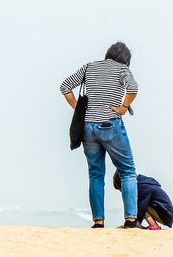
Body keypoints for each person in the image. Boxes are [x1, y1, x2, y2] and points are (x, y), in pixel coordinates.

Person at [60, 42, 139, 229]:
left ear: (108, 54)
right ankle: (130, 220)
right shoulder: (122, 69)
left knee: (95, 176)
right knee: (127, 172)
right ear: (125, 60)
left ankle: (98, 222)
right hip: (111, 124)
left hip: (88, 127)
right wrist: (123, 107)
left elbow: (65, 86)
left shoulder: (89, 67)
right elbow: (133, 88)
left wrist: (79, 110)